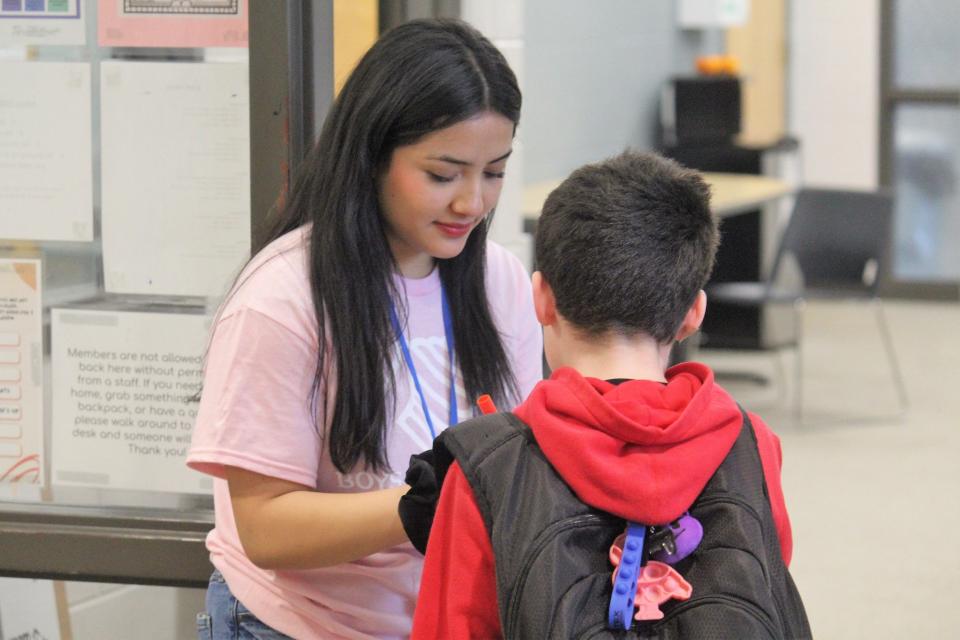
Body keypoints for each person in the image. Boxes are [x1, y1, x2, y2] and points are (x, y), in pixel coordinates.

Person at [186, 18, 543, 640]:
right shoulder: (283, 297)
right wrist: (415, 509)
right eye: (443, 174)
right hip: (293, 625)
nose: (472, 204)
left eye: (494, 172)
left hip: (445, 620)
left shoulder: (499, 281)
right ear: (372, 157)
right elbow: (266, 529)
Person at [410, 151, 811, 638]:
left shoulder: (490, 464)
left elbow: (452, 626)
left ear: (541, 298)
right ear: (693, 313)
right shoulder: (751, 441)